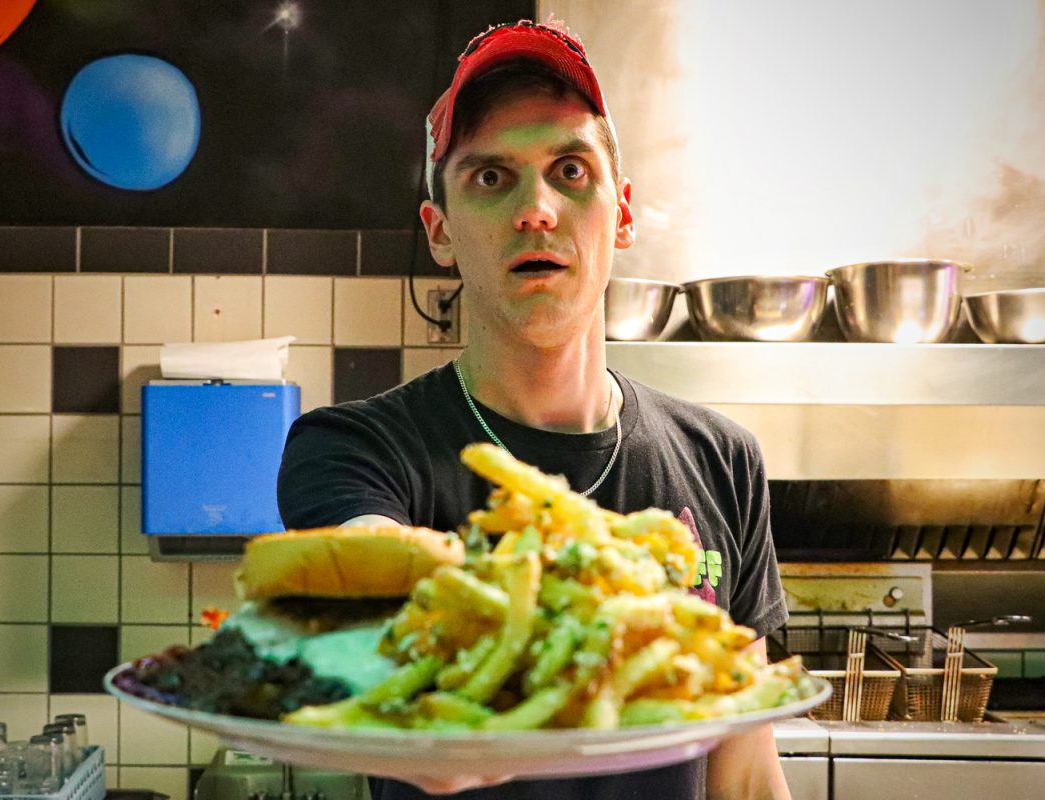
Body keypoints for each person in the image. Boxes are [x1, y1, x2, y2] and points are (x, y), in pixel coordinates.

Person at [278, 18, 791, 800]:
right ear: (440, 232)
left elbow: (746, 773)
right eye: (492, 177)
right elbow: (370, 567)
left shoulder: (722, 461)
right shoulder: (355, 448)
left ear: (622, 214)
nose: (537, 209)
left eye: (570, 169)